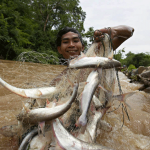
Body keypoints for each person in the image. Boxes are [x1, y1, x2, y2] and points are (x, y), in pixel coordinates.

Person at [50, 25, 134, 86]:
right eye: (65, 42)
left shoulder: (96, 60)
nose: (71, 45)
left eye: (75, 41)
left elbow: (130, 31)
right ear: (59, 49)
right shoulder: (58, 81)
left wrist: (112, 31)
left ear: (82, 47)